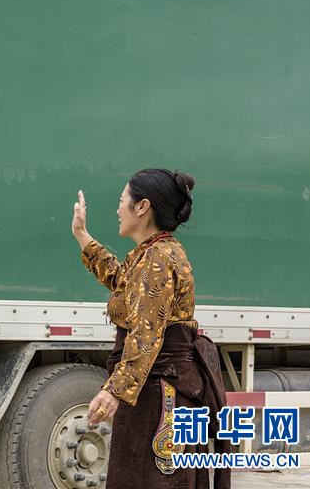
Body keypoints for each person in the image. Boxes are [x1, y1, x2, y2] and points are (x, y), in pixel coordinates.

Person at [71, 169, 230, 489]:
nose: (117, 209)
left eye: (121, 201)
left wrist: (114, 391)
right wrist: (82, 236)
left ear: (142, 207)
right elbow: (122, 281)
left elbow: (146, 335)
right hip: (158, 388)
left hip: (160, 394)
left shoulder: (157, 258)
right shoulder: (154, 253)